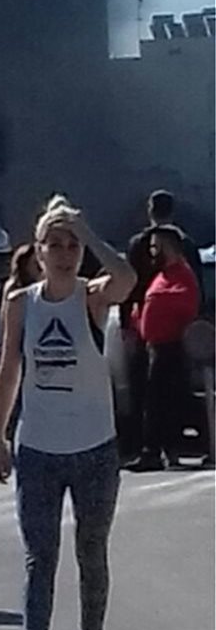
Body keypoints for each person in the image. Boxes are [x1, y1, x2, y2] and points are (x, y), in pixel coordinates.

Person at [0, 195, 136, 630]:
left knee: (91, 550)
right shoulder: (21, 304)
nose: (66, 253)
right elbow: (9, 370)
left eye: (72, 245)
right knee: (40, 555)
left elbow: (127, 278)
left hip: (95, 447)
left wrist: (88, 231)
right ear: (39, 251)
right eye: (56, 244)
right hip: (38, 450)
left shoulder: (93, 297)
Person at [121, 190, 203, 457]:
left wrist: (125, 324)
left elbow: (129, 287)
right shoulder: (186, 244)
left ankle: (155, 445)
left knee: (153, 390)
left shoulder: (143, 244)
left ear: (150, 210)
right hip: (159, 329)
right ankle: (157, 444)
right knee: (160, 390)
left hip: (160, 332)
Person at [2, 244, 43, 446]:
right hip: (23, 346)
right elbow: (6, 320)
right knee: (18, 392)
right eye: (34, 264)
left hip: (40, 347)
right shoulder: (15, 289)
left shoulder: (45, 286)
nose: (38, 268)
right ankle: (8, 432)